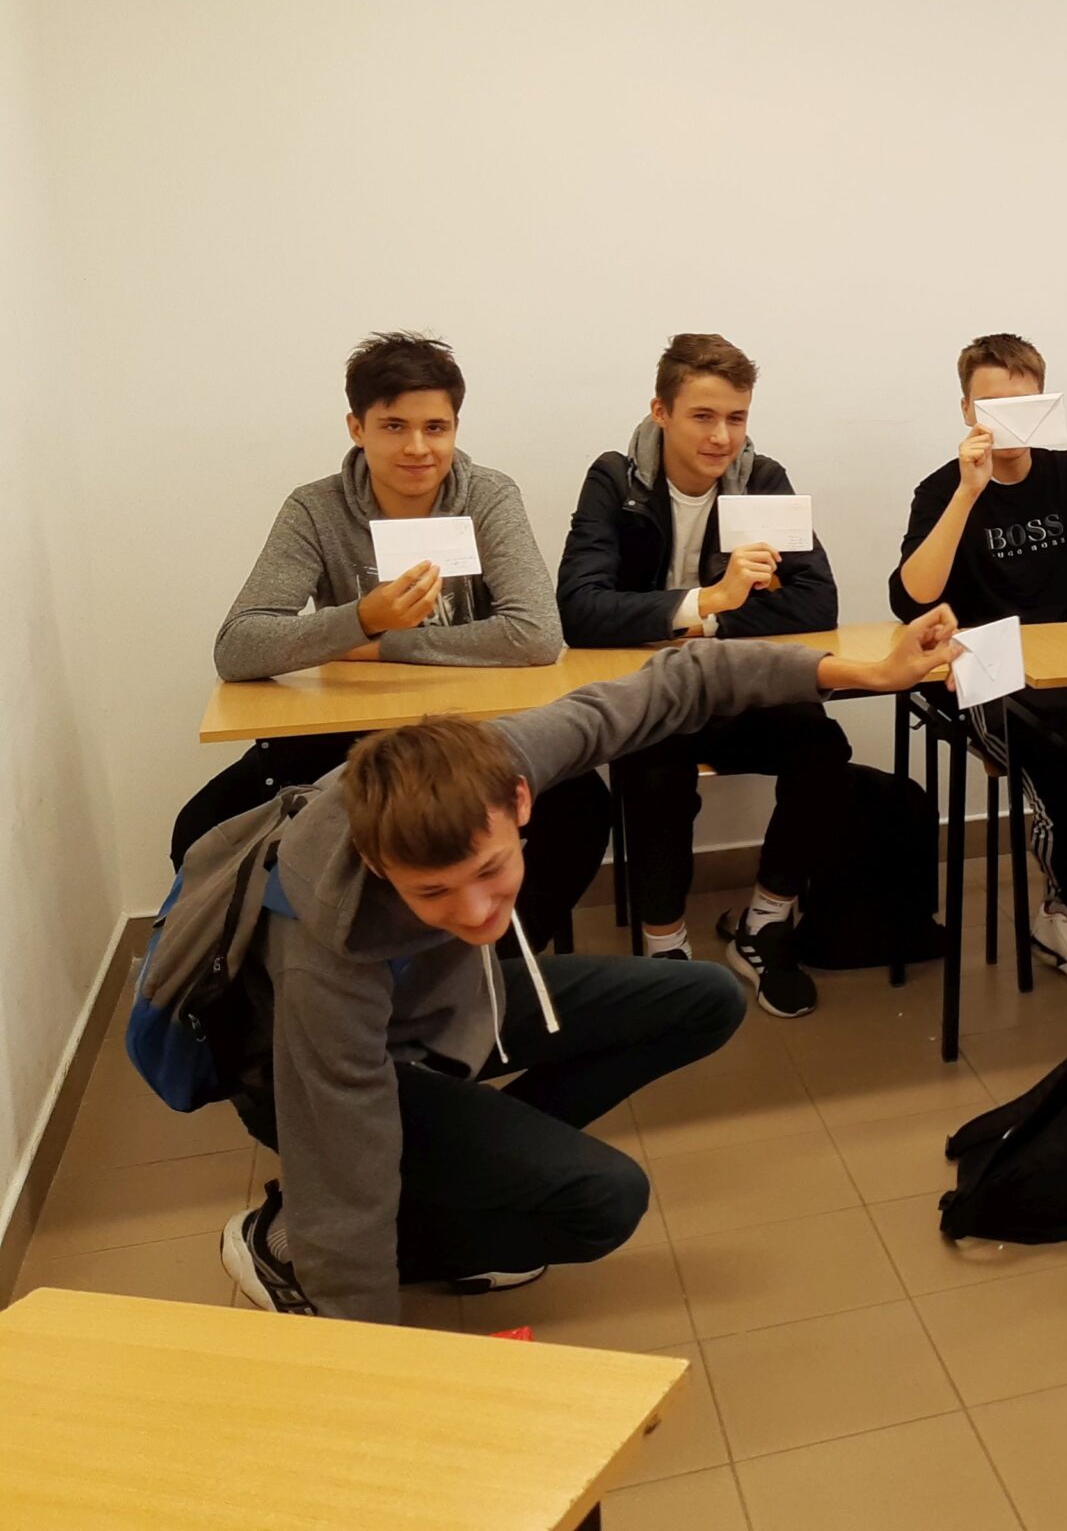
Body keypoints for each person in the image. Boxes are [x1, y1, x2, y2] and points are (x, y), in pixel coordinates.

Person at [202, 623, 956, 1326]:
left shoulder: (496, 760)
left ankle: (457, 1182)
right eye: (432, 892)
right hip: (303, 1072)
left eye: (490, 870)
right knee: (604, 1201)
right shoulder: (323, 963)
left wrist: (866, 671)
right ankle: (282, 1242)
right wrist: (368, 1351)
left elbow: (683, 678)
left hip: (435, 1007)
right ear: (374, 861)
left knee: (706, 997)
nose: (475, 912)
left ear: (519, 798)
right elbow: (344, 1181)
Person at [177, 333, 608, 950]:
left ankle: (494, 962)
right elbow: (239, 646)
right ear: (357, 428)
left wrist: (378, 643)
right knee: (199, 829)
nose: (417, 448)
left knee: (581, 804)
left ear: (455, 428)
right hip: (353, 736)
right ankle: (323, 963)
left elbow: (536, 634)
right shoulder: (316, 509)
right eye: (394, 426)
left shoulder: (486, 495)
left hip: (473, 731)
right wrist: (361, 617)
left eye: (436, 428)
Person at [558, 332, 923, 1018]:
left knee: (822, 750)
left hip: (739, 684)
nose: (722, 437)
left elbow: (817, 603)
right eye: (703, 416)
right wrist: (709, 600)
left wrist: (707, 621)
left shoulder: (762, 479)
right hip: (652, 691)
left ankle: (765, 921)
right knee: (653, 772)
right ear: (661, 412)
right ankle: (664, 945)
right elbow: (580, 610)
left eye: (736, 417)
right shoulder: (616, 480)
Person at [892, 332, 1067, 989]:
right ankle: (1064, 909)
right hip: (980, 670)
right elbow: (911, 597)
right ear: (967, 412)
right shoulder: (941, 489)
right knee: (1055, 751)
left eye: (1022, 405)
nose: (1006, 422)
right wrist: (967, 493)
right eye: (990, 406)